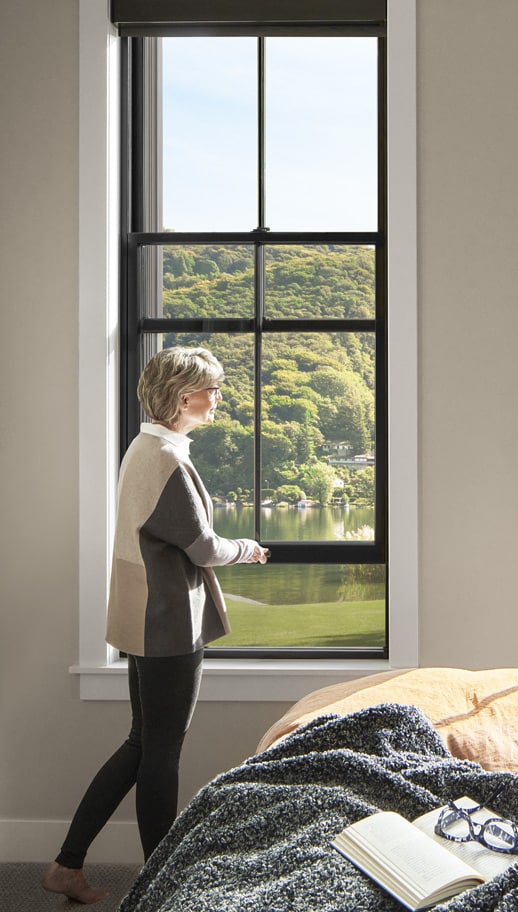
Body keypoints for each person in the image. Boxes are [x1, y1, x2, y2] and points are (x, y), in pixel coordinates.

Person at [42, 347, 270, 903]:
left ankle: (67, 867)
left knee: (143, 744)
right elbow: (205, 547)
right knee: (160, 752)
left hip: (144, 617)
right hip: (166, 623)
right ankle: (159, 885)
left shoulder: (144, 448)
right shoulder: (165, 458)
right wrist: (249, 549)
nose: (218, 398)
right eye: (212, 389)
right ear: (184, 395)